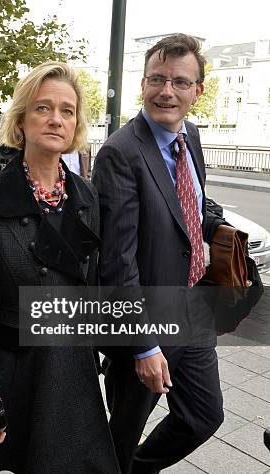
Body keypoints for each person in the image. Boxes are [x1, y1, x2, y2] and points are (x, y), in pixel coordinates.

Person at [0, 61, 119, 473]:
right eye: (43, 108)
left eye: (67, 111)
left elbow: (92, 289)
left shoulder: (87, 198)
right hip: (13, 373)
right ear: (21, 119)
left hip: (72, 376)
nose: (56, 119)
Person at [92, 33, 226, 473]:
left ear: (197, 92)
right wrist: (143, 345)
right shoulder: (120, 153)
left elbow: (189, 203)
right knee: (123, 428)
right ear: (144, 83)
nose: (167, 91)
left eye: (180, 82)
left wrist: (220, 228)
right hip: (145, 322)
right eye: (157, 79)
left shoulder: (190, 134)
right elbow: (117, 260)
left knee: (204, 416)